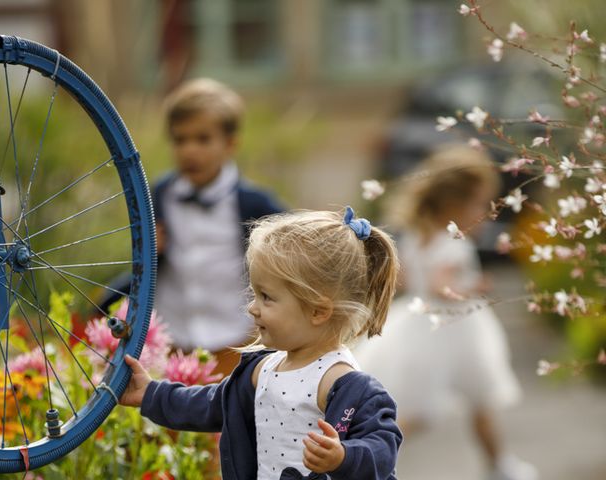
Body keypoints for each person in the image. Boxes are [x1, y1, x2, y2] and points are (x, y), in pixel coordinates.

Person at [120, 207, 403, 479]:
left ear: (318, 311)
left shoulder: (342, 383)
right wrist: (150, 394)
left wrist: (343, 457)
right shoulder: (263, 369)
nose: (253, 308)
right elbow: (210, 405)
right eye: (255, 294)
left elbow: (382, 448)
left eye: (266, 297)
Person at [355, 145, 537, 480]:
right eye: (479, 204)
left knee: (475, 403)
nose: (485, 211)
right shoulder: (453, 244)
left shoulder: (416, 237)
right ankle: (367, 457)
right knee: (431, 411)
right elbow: (441, 287)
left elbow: (408, 279)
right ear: (455, 204)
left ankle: (499, 464)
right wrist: (473, 287)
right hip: (452, 329)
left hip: (420, 324)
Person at [152, 78, 284, 375]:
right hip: (173, 337)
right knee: (168, 415)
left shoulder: (255, 203)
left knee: (227, 418)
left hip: (235, 340)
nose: (189, 150)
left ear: (230, 144)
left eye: (202, 139)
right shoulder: (159, 194)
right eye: (179, 139)